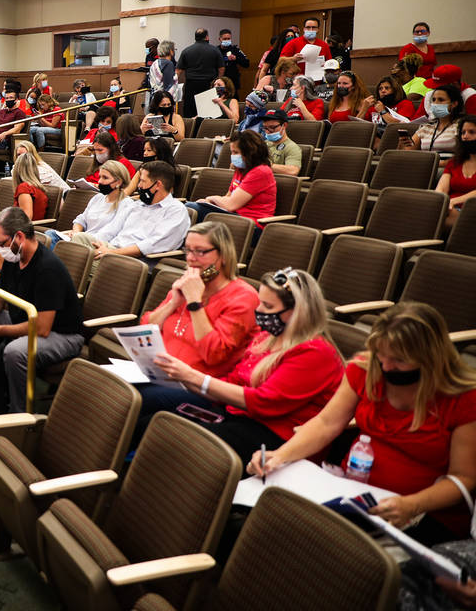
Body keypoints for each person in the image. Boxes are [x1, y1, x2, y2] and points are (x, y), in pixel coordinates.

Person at [248, 303, 476, 543]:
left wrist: (411, 505)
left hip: (423, 511)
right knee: (278, 530)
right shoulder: (367, 369)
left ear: (430, 358)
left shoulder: (463, 399)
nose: (386, 367)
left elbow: (464, 479)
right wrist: (279, 456)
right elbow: (326, 423)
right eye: (381, 356)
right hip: (354, 494)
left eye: (398, 360)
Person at [139, 267, 343, 463]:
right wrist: (179, 376)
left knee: (174, 441)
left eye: (269, 307)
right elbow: (233, 381)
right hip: (238, 416)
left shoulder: (315, 352)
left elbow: (263, 403)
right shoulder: (267, 337)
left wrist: (192, 376)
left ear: (297, 312)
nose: (259, 310)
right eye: (261, 303)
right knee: (155, 423)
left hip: (277, 438)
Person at [0, 207, 84, 414]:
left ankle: (19, 413)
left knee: (15, 352)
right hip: (26, 320)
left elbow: (41, 327)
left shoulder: (48, 268)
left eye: (1, 243)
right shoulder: (15, 257)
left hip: (62, 334)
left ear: (19, 237)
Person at [141, 221, 259, 377]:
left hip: (196, 385)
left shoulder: (243, 297)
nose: (190, 258)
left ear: (223, 256)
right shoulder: (187, 285)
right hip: (159, 372)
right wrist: (173, 303)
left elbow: (213, 354)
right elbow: (144, 331)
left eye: (200, 252)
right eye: (188, 250)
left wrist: (194, 303)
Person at [91, 161, 189, 262]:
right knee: (80, 240)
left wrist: (110, 253)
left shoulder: (176, 211)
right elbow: (110, 230)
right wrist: (95, 243)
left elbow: (150, 245)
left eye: (142, 181)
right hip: (110, 250)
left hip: (131, 260)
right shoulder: (137, 205)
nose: (139, 186)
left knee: (80, 259)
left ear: (157, 185)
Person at [186, 130, 276, 226]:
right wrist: (208, 203)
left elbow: (230, 204)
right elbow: (228, 198)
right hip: (234, 216)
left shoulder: (261, 172)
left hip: (251, 224)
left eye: (235, 152)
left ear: (250, 152)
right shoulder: (241, 169)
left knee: (192, 208)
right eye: (232, 152)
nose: (232, 156)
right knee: (190, 208)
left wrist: (211, 198)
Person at [48, 160, 132, 249]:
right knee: (50, 235)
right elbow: (81, 220)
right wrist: (76, 232)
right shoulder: (97, 198)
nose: (99, 181)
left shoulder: (126, 204)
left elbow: (110, 233)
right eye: (100, 177)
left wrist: (80, 237)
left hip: (98, 244)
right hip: (81, 239)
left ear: (118, 182)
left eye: (105, 178)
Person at [176, 27, 225, 116]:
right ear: (207, 37)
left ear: (195, 37)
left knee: (190, 109)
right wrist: (218, 80)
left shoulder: (186, 51)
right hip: (209, 84)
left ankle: (190, 128)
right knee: (208, 110)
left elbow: (178, 70)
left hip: (191, 85)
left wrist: (174, 85)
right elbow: (221, 68)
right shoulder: (214, 50)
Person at [437, 115, 476, 229]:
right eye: (463, 133)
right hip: (449, 208)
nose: (465, 136)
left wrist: (452, 201)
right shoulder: (455, 162)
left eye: (471, 132)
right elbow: (441, 189)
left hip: (470, 210)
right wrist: (440, 203)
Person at [403, 83, 463, 154]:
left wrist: (436, 163)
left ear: (454, 104)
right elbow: (407, 153)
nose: (435, 103)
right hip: (426, 164)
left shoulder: (461, 126)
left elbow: (466, 156)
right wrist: (402, 143)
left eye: (441, 100)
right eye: (433, 100)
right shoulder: (426, 127)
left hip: (448, 164)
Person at [259, 109, 302, 176]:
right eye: (265, 128)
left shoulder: (292, 147)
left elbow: (293, 171)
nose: (267, 132)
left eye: (272, 127)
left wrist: (265, 165)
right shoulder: (262, 144)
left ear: (284, 125)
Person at [10, 153, 49, 221]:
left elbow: (26, 219)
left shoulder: (24, 188)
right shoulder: (38, 188)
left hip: (26, 229)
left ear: (17, 170)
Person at [147, 40, 176, 107]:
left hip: (155, 98)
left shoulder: (155, 63)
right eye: (174, 49)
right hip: (165, 101)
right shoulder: (168, 64)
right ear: (171, 51)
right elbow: (168, 86)